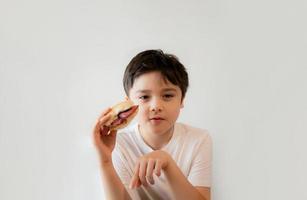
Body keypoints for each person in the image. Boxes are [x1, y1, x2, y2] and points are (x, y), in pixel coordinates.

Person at [93, 49, 212, 200]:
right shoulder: (119, 143)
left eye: (167, 95)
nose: (156, 106)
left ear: (182, 100)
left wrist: (167, 163)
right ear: (127, 103)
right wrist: (105, 160)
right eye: (144, 97)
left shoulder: (199, 139)